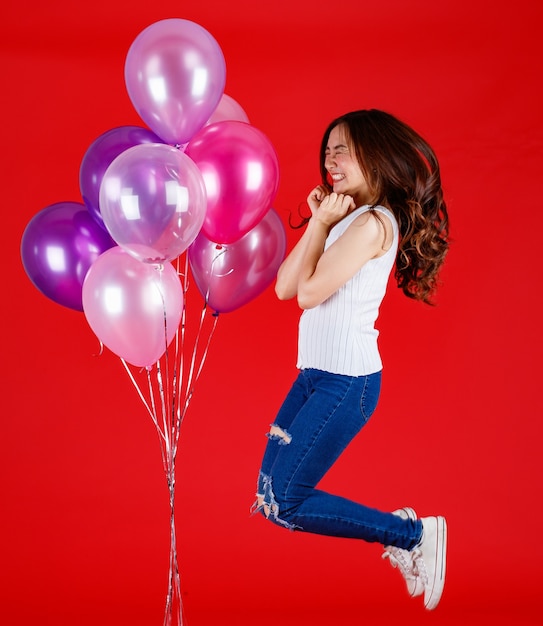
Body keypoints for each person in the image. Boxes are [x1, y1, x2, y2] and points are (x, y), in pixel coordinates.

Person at [252, 109, 450, 610]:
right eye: (327, 150)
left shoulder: (375, 222)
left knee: (289, 500)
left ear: (375, 156)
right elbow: (285, 288)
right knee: (271, 499)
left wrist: (323, 221)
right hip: (315, 376)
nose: (330, 160)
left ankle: (411, 535)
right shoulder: (346, 221)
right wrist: (321, 223)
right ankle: (406, 533)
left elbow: (310, 293)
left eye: (342, 149)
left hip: (347, 383)